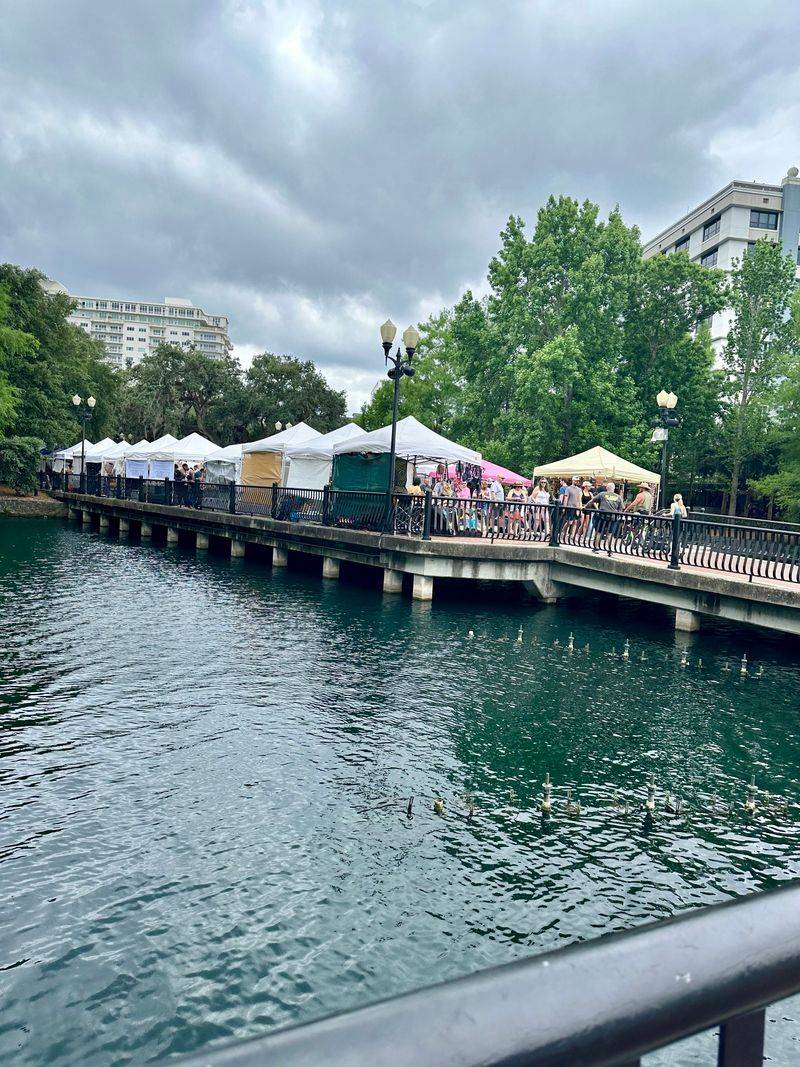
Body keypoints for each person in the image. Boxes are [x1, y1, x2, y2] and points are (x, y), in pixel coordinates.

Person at [589, 480, 623, 553]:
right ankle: (610, 550)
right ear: (613, 489)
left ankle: (596, 548)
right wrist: (618, 517)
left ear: (607, 488)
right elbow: (620, 509)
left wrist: (585, 507)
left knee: (598, 532)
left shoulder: (602, 494)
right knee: (610, 534)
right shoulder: (618, 497)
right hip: (612, 518)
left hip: (602, 516)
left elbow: (592, 501)